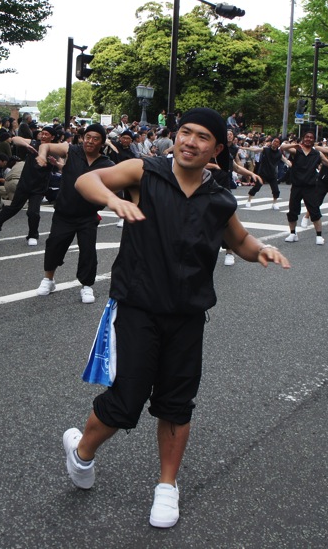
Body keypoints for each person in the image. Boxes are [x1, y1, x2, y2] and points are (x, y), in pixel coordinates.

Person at [61, 107, 290, 528]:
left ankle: (167, 486)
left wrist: (261, 250)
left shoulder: (219, 199)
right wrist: (113, 199)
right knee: (126, 400)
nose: (190, 141)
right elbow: (86, 180)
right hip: (137, 307)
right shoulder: (145, 172)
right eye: (186, 132)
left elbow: (239, 239)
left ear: (216, 149)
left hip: (187, 315)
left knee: (176, 403)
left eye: (203, 137)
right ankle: (82, 452)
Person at [34, 123, 115, 304]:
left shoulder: (107, 164)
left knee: (88, 251)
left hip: (88, 215)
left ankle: (86, 286)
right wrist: (41, 156)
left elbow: (116, 185)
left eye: (95, 139)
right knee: (54, 246)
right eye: (87, 137)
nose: (90, 141)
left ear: (102, 142)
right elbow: (46, 146)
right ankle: (48, 280)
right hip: (64, 212)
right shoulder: (72, 150)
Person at [0, 127, 56, 245]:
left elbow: (63, 162)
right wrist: (26, 145)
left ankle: (33, 235)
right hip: (25, 183)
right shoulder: (34, 143)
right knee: (14, 208)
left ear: (53, 137)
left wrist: (56, 163)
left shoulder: (55, 150)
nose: (43, 136)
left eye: (47, 134)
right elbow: (15, 139)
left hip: (39, 187)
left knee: (33, 212)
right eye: (42, 133)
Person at [243, 135, 284, 209]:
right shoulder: (266, 149)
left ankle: (274, 203)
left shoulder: (279, 153)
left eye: (277, 142)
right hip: (263, 173)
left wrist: (292, 165)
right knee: (257, 187)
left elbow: (286, 160)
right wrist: (245, 148)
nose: (275, 143)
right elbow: (255, 150)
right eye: (274, 141)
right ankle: (249, 200)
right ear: (271, 142)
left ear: (279, 144)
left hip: (272, 174)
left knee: (276, 190)